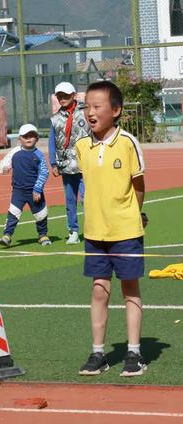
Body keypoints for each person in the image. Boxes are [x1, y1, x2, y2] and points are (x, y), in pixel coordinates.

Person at [76, 81, 147, 377]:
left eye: (97, 107)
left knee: (129, 290)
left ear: (116, 110)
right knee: (98, 291)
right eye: (86, 107)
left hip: (126, 232)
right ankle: (98, 354)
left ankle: (134, 353)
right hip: (94, 233)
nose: (90, 113)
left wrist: (134, 214)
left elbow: (138, 186)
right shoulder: (82, 146)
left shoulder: (127, 143)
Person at [49, 82, 90, 245]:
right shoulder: (55, 119)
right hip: (66, 164)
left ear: (74, 95)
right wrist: (53, 163)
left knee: (88, 198)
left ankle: (92, 229)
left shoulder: (85, 112)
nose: (62, 98)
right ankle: (73, 231)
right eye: (59, 96)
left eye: (65, 95)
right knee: (70, 200)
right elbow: (52, 141)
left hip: (86, 163)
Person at [0, 124, 51, 247]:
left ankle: (43, 235)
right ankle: (7, 235)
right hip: (18, 191)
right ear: (19, 139)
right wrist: (4, 168)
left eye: (32, 136)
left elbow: (44, 172)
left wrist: (37, 189)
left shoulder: (39, 155)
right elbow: (5, 162)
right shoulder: (14, 152)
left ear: (37, 139)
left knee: (41, 214)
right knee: (13, 213)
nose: (28, 139)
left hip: (34, 192)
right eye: (25, 136)